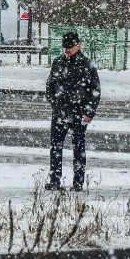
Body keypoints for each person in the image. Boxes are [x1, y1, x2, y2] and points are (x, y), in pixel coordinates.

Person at [45, 31, 100, 192]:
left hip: (78, 113)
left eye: (70, 47)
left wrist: (89, 112)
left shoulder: (87, 64)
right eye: (64, 47)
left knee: (78, 148)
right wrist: (54, 103)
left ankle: (78, 182)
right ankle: (54, 180)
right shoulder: (58, 62)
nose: (66, 50)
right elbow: (50, 85)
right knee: (55, 147)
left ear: (78, 46)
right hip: (60, 112)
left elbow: (95, 91)